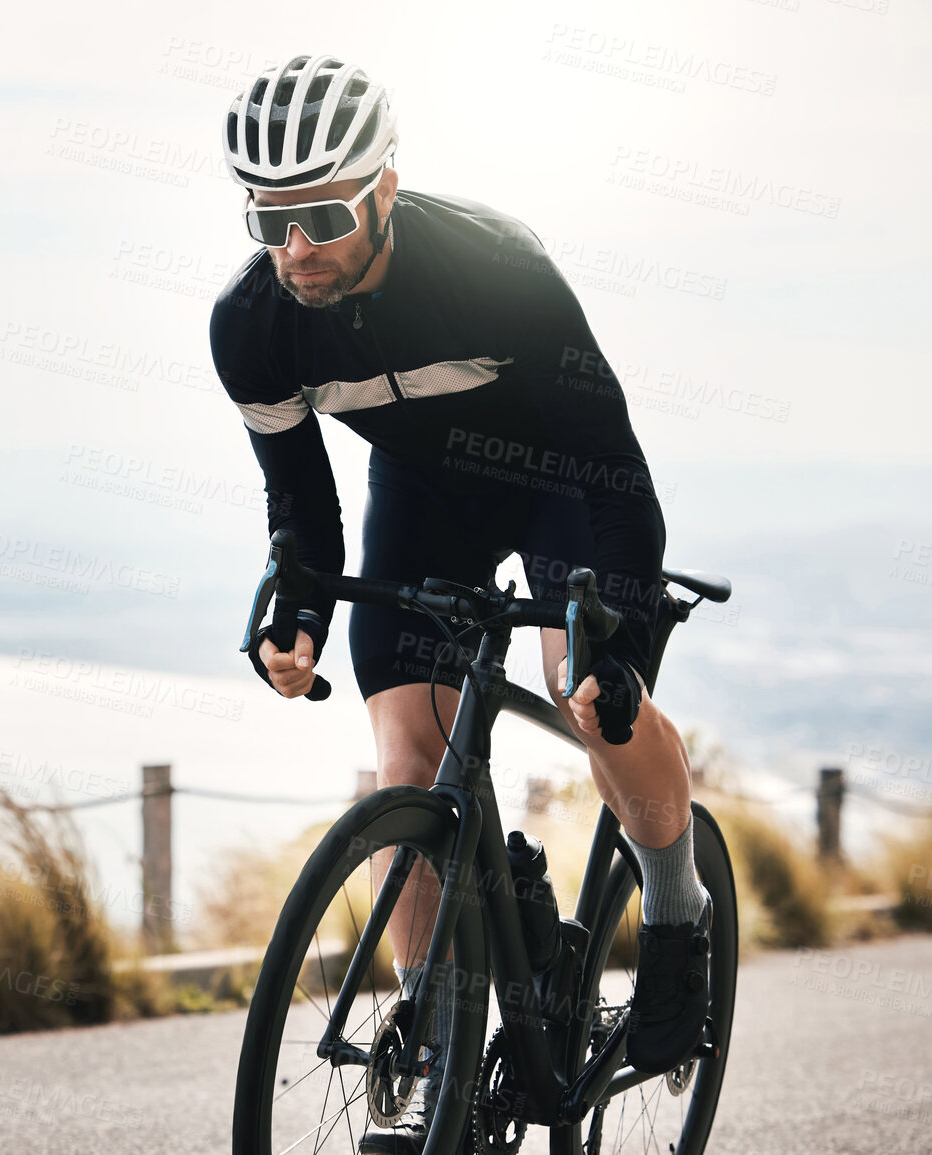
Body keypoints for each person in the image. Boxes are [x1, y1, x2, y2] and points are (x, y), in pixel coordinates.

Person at [209, 54, 712, 1154]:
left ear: (385, 186)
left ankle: (678, 910)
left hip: (563, 490)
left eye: (324, 216)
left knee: (585, 700)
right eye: (269, 220)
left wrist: (613, 633)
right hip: (424, 502)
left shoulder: (497, 271)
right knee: (405, 762)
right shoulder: (250, 328)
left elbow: (615, 468)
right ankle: (445, 1060)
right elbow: (299, 505)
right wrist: (293, 613)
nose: (295, 250)